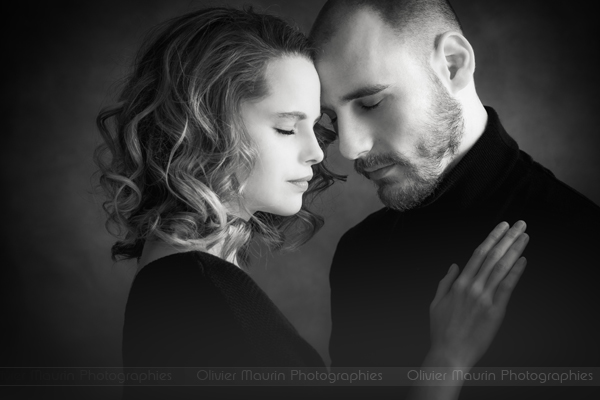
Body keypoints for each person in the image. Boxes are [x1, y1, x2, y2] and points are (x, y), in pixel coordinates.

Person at [95, 6, 528, 400]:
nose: (320, 153)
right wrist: (447, 362)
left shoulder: (196, 281)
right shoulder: (195, 293)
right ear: (205, 129)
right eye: (286, 127)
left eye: (320, 126)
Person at [308, 0, 600, 399]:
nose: (350, 147)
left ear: (453, 64)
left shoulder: (583, 250)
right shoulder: (359, 255)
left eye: (371, 103)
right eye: (331, 119)